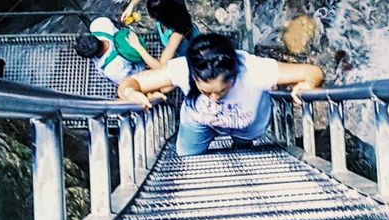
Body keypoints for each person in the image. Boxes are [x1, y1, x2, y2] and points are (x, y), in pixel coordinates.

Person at [118, 32, 324, 156]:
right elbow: (132, 82)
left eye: (222, 91)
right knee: (187, 157)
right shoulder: (183, 68)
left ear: (235, 73)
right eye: (205, 91)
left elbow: (313, 71)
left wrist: (307, 84)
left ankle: (241, 144)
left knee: (243, 145)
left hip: (246, 122)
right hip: (199, 122)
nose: (214, 99)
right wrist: (129, 93)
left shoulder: (253, 69)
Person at [74, 15, 179, 98]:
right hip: (133, 42)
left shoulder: (111, 70)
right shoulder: (98, 24)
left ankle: (166, 83)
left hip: (137, 68)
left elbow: (131, 82)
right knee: (167, 63)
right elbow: (117, 24)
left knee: (166, 87)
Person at [120, 0, 196, 61]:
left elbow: (161, 66)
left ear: (161, 17)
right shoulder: (166, 2)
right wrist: (131, 7)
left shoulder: (176, 35)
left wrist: (138, 47)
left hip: (186, 56)